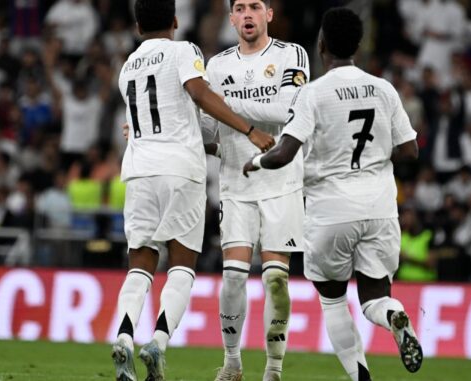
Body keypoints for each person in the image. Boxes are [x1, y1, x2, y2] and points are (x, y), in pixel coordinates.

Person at [243, 8, 423, 380]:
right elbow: (410, 152)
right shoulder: (384, 89)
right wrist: (374, 158)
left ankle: (361, 376)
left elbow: (284, 154)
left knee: (333, 299)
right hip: (379, 208)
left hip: (330, 210)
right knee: (375, 296)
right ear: (358, 45)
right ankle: (393, 315)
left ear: (321, 44)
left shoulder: (314, 93)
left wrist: (256, 162)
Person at [111, 1, 274, 381]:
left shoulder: (127, 66)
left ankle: (123, 335)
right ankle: (158, 342)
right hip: (180, 170)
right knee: (182, 266)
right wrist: (250, 130)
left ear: (137, 26)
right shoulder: (183, 50)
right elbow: (199, 94)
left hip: (137, 171)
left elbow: (146, 119)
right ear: (175, 21)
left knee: (140, 266)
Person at [201, 1, 309, 380]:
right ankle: (232, 362)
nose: (247, 14)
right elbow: (207, 131)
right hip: (235, 184)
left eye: (255, 6)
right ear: (231, 18)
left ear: (269, 15)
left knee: (275, 279)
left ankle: (274, 368)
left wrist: (220, 105)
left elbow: (285, 109)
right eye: (240, 7)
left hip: (282, 184)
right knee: (232, 275)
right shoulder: (216, 66)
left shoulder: (291, 54)